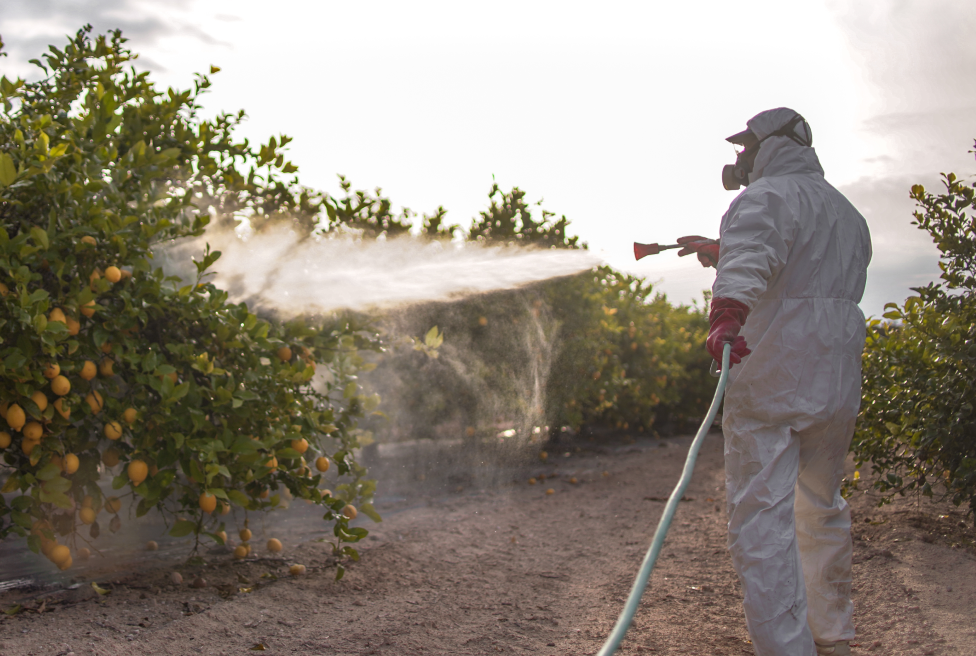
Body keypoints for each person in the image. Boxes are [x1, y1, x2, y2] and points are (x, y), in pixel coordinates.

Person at [677, 108, 872, 656]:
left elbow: (754, 263)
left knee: (761, 516)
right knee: (819, 505)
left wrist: (724, 318)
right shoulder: (846, 211)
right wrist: (722, 253)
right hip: (834, 379)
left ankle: (787, 650)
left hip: (774, 375)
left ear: (779, 145)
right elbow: (807, 270)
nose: (740, 157)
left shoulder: (761, 198)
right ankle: (830, 638)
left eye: (747, 147)